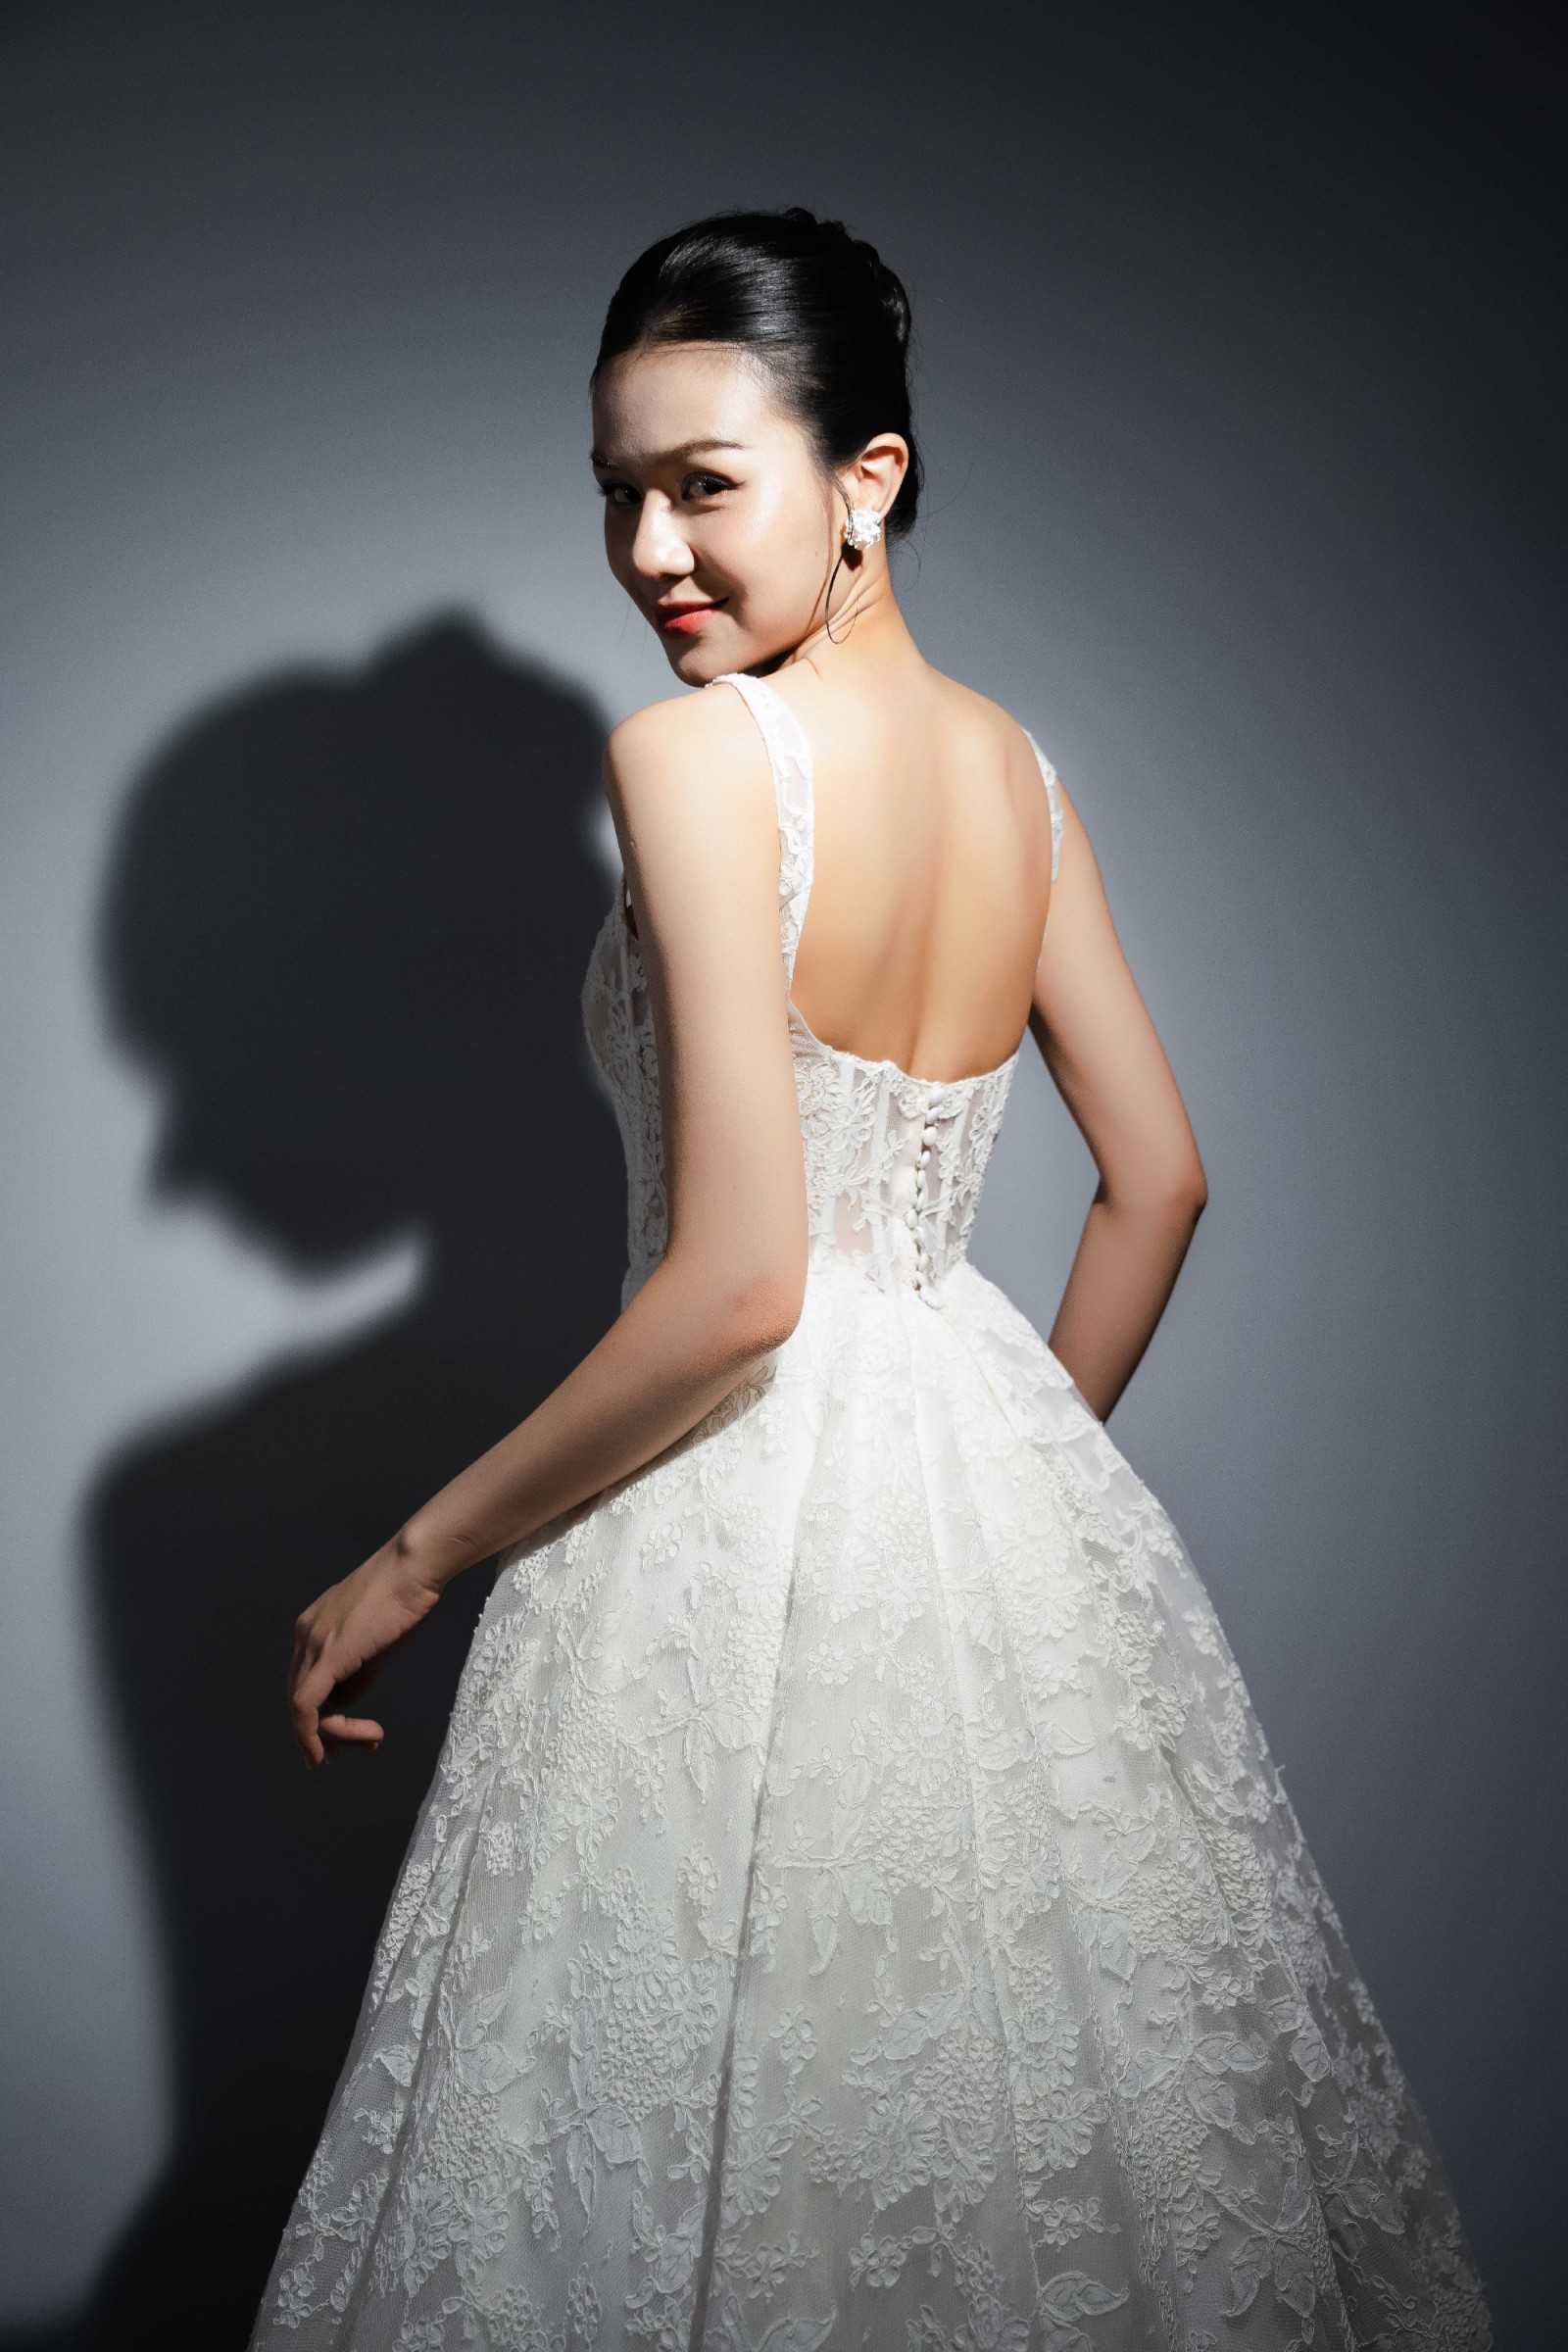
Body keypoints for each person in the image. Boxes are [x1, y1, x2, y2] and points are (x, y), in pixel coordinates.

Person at [250, 210, 1491, 2350]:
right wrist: (1004, 1486)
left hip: (709, 1511)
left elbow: (740, 1286)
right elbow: (1160, 1185)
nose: (648, 551)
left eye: (701, 486)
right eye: (615, 495)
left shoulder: (693, 761)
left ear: (867, 478)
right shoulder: (1020, 776)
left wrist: (411, 1558)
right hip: (975, 1488)